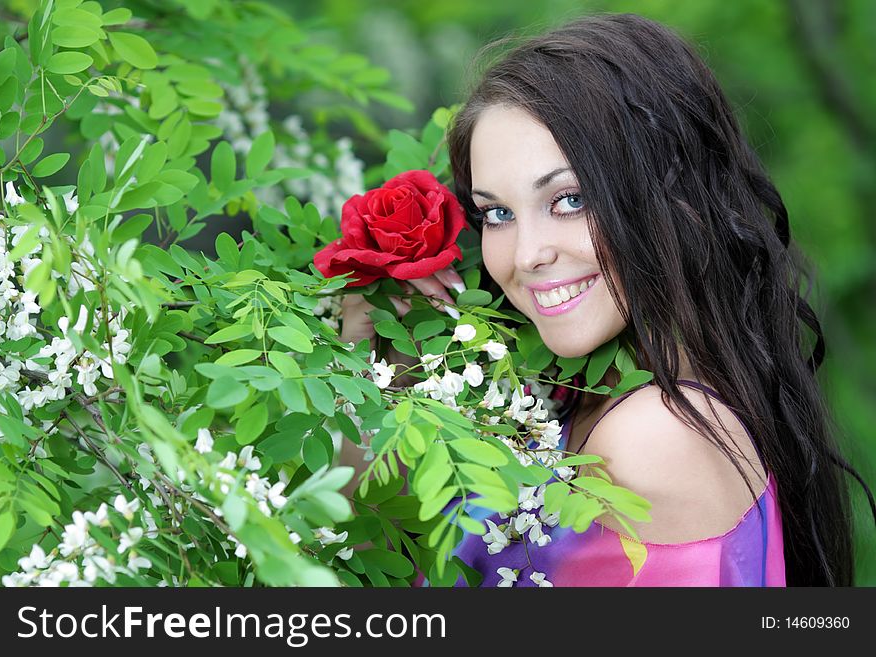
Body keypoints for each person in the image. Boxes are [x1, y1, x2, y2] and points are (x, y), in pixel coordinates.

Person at [339, 13, 874, 586]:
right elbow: (371, 552)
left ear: (669, 194)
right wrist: (370, 363)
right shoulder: (587, 390)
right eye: (497, 213)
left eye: (568, 199)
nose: (525, 255)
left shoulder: (653, 435)